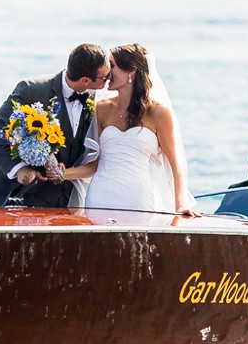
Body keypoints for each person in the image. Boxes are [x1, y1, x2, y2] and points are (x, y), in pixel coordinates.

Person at [69, 43, 197, 216]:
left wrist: (180, 205)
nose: (106, 72)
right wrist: (62, 173)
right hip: (99, 198)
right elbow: (95, 164)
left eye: (112, 66)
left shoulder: (158, 113)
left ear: (131, 71)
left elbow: (175, 166)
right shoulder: (101, 109)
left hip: (137, 199)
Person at [0, 44, 111, 209]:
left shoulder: (95, 99)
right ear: (85, 80)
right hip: (20, 195)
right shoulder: (31, 90)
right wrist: (20, 168)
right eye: (105, 78)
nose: (107, 82)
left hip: (67, 202)